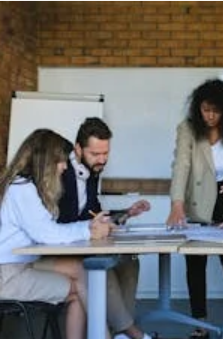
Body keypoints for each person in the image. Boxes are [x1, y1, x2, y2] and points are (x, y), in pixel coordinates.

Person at [0, 129, 114, 339]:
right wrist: (89, 229)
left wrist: (88, 227)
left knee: (79, 269)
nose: (64, 166)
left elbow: (46, 232)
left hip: (13, 265)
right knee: (77, 291)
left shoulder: (25, 186)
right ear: (46, 161)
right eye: (61, 161)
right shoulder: (21, 190)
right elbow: (47, 234)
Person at [165, 78, 223, 338]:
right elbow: (181, 166)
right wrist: (176, 204)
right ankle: (200, 323)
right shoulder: (188, 128)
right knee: (196, 263)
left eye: (215, 110)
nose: (209, 116)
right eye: (205, 109)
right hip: (196, 201)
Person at [56, 117, 155, 339]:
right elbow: (57, 222)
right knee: (101, 266)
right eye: (95, 154)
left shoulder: (92, 171)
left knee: (129, 261)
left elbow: (95, 212)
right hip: (60, 248)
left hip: (81, 242)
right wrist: (93, 226)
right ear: (78, 149)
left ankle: (120, 332)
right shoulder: (61, 173)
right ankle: (132, 332)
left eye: (106, 153)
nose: (102, 160)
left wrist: (125, 213)